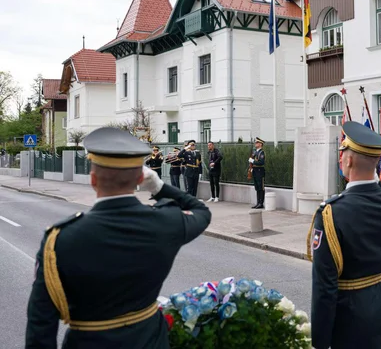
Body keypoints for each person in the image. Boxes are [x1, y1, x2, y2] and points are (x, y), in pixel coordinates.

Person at [25, 127, 211, 348]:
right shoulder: (165, 222)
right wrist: (159, 188)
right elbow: (201, 211)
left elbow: (40, 326)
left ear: (93, 180)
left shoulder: (59, 240)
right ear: (140, 179)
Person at [310, 121, 381, 349]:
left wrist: (319, 343)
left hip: (352, 329)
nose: (341, 157)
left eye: (343, 152)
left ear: (349, 159)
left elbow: (324, 288)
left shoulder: (331, 213)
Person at [249, 137, 266, 209]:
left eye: (257, 143)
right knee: (257, 187)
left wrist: (253, 161)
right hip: (255, 171)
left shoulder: (261, 152)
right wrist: (251, 168)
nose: (255, 144)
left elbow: (261, 162)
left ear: (260, 144)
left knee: (261, 187)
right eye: (255, 143)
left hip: (260, 171)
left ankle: (261, 203)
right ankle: (258, 202)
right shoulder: (255, 152)